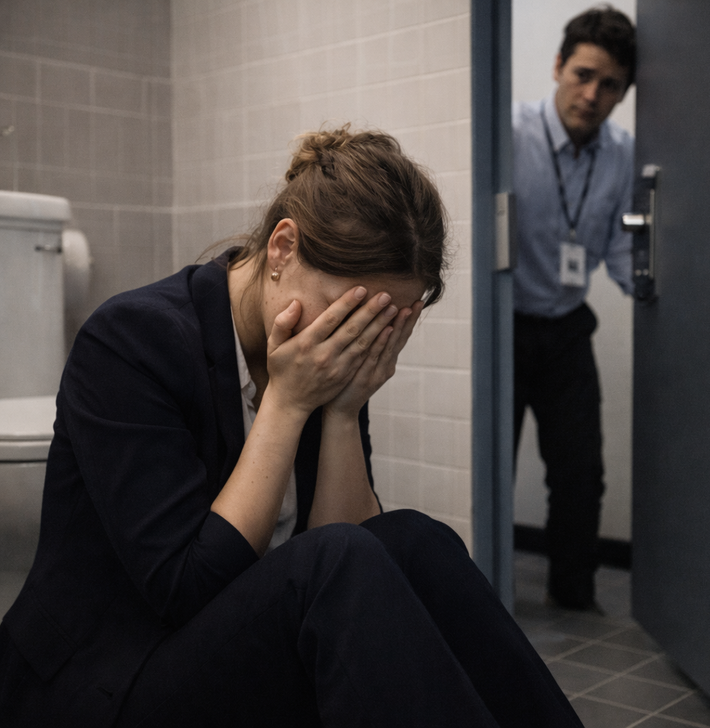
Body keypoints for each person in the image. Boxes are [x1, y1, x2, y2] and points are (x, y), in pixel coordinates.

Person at [0, 126, 583, 727]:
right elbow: (185, 592)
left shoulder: (324, 349)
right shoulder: (131, 340)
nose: (356, 339)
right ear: (282, 249)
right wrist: (286, 402)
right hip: (106, 681)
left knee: (414, 541)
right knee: (336, 562)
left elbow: (360, 552)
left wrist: (344, 410)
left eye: (382, 324)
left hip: (225, 652)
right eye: (349, 313)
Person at [512, 6, 636, 610]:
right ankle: (479, 588)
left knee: (581, 472)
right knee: (490, 461)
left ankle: (574, 596)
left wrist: (678, 304)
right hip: (504, 325)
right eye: (583, 75)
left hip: (566, 328)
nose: (591, 95)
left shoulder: (622, 153)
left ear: (623, 92)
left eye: (609, 84)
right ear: (558, 66)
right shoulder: (510, 133)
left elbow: (624, 250)